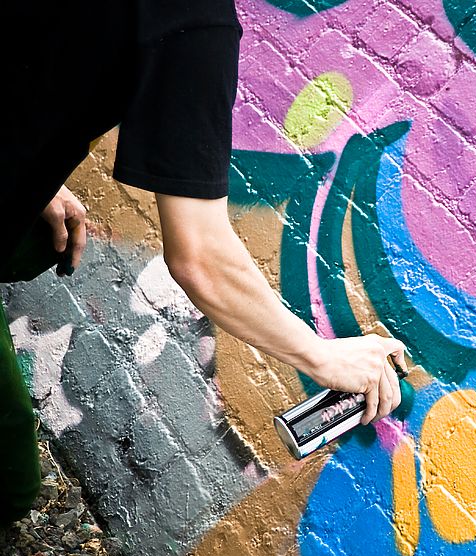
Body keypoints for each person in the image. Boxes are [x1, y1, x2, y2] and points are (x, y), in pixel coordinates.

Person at [0, 1, 406, 525]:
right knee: (10, 484)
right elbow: (200, 257)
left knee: (38, 240)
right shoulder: (191, 18)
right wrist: (322, 357)